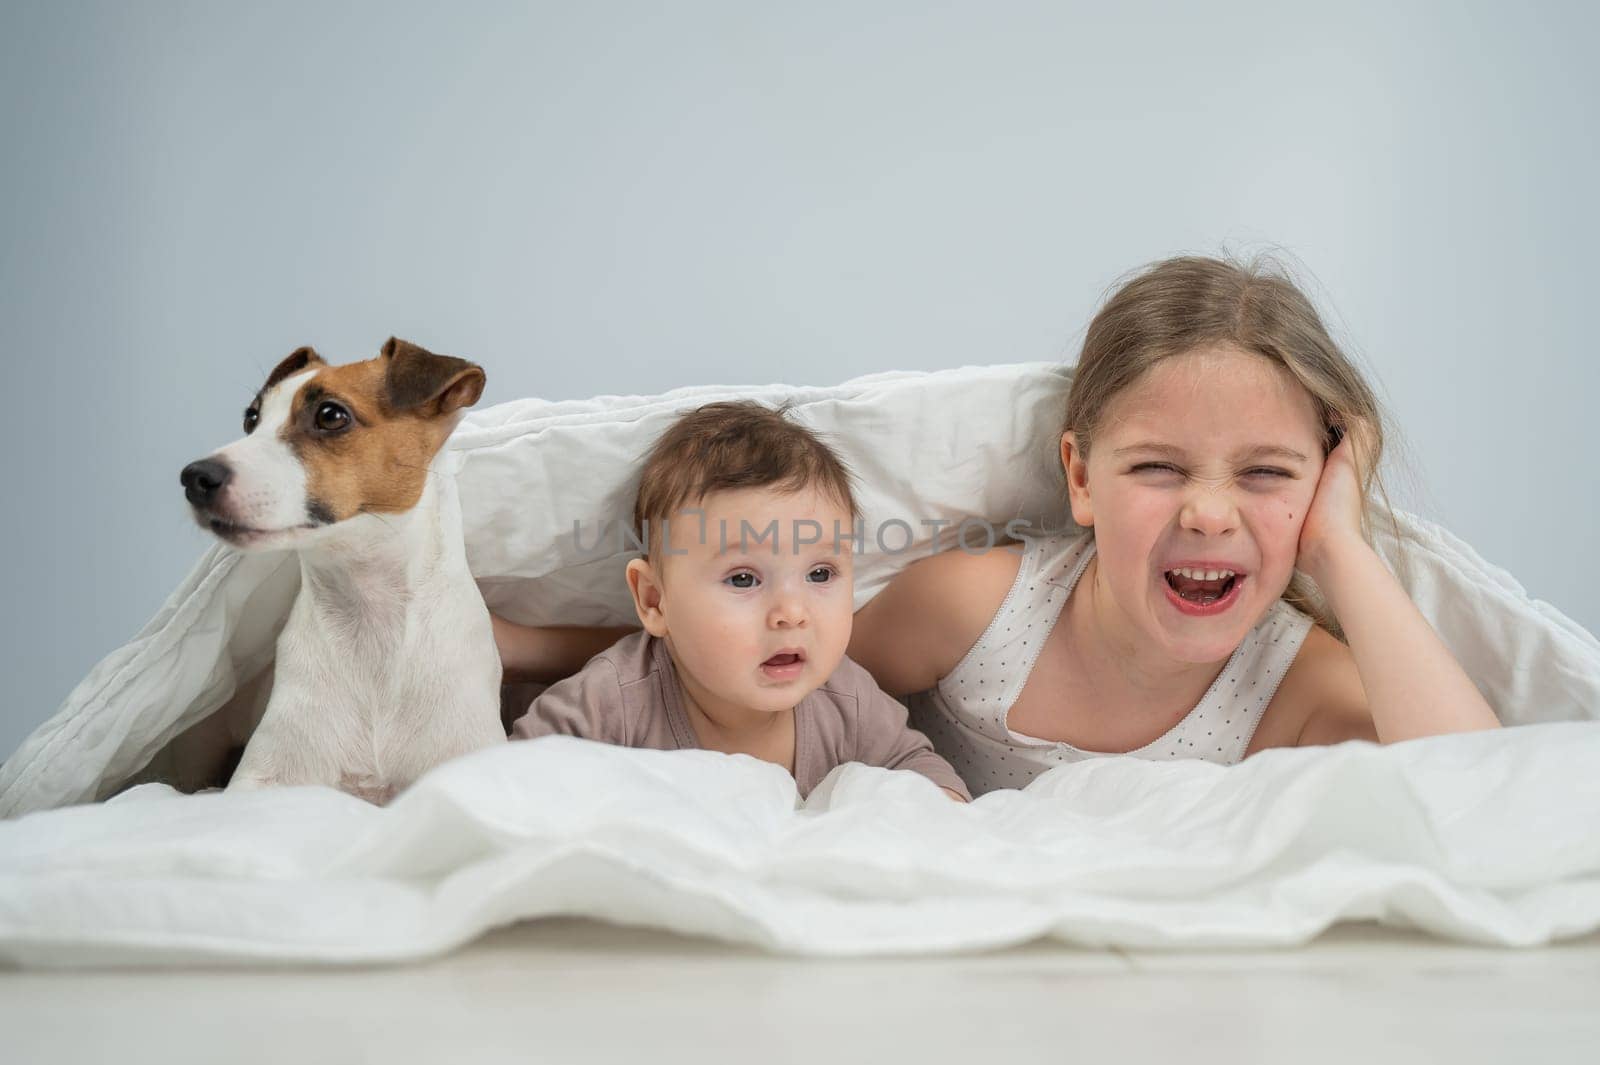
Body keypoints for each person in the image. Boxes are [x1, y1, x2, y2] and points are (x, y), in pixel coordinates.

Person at [847, 255, 1502, 795]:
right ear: (1081, 478)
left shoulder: (1298, 690)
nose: (1209, 514)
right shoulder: (975, 612)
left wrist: (1339, 546)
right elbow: (789, 699)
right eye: (1158, 467)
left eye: (1267, 472)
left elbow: (1479, 796)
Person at [497, 400, 970, 801]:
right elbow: (504, 792)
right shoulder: (610, 704)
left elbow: (924, 772)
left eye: (820, 573)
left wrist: (937, 817)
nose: (792, 613)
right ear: (655, 601)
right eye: (744, 579)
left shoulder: (845, 700)